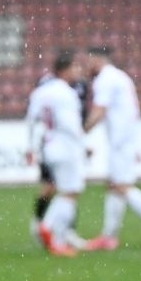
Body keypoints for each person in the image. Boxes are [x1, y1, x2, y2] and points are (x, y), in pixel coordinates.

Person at [81, 46, 141, 254]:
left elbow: (99, 111)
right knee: (113, 185)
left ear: (97, 59)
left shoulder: (105, 79)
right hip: (124, 138)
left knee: (122, 186)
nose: (87, 65)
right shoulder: (119, 77)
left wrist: (81, 131)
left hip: (121, 140)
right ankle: (109, 237)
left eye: (89, 60)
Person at [23, 50, 87, 258]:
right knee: (70, 193)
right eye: (75, 67)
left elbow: (32, 119)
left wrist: (30, 148)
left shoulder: (41, 91)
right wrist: (83, 144)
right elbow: (69, 124)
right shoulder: (66, 93)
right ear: (64, 70)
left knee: (64, 191)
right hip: (66, 147)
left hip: (49, 146)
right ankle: (49, 228)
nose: (78, 71)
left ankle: (56, 238)